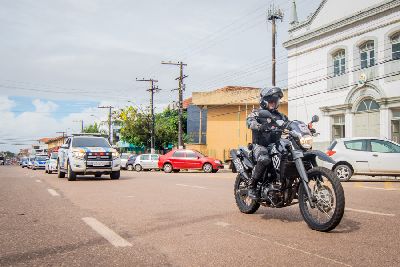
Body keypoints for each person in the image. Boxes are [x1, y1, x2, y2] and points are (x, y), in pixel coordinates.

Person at [246, 87, 288, 200]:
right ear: (264, 101)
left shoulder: (281, 116)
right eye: (271, 101)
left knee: (289, 154)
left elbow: (289, 125)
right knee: (264, 158)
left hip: (275, 145)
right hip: (260, 145)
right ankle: (252, 186)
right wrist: (260, 126)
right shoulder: (257, 113)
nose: (274, 103)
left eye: (276, 101)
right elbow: (249, 122)